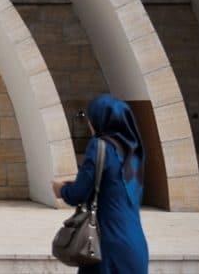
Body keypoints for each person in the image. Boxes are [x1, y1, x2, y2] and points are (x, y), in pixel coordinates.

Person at [53, 94, 150, 274]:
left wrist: (61, 190)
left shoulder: (99, 146)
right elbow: (114, 186)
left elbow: (78, 194)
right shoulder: (135, 155)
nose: (89, 124)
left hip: (106, 247)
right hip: (136, 247)